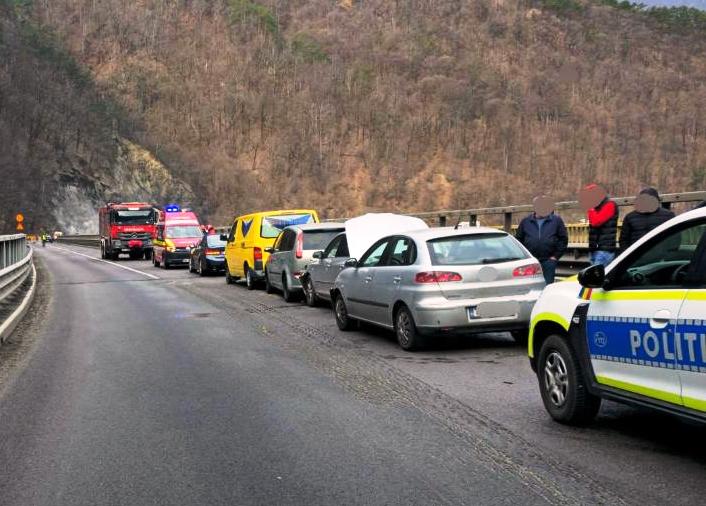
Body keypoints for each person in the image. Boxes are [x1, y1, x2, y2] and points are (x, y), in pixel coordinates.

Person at [516, 197, 568, 284]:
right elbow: (518, 239)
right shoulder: (525, 221)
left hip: (548, 261)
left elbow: (563, 239)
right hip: (530, 261)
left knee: (547, 286)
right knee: (530, 285)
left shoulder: (556, 221)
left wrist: (555, 256)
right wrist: (523, 256)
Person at [584, 184, 618, 266]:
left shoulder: (610, 205)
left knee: (597, 274)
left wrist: (591, 208)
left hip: (604, 250)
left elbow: (596, 222)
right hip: (594, 249)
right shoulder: (596, 207)